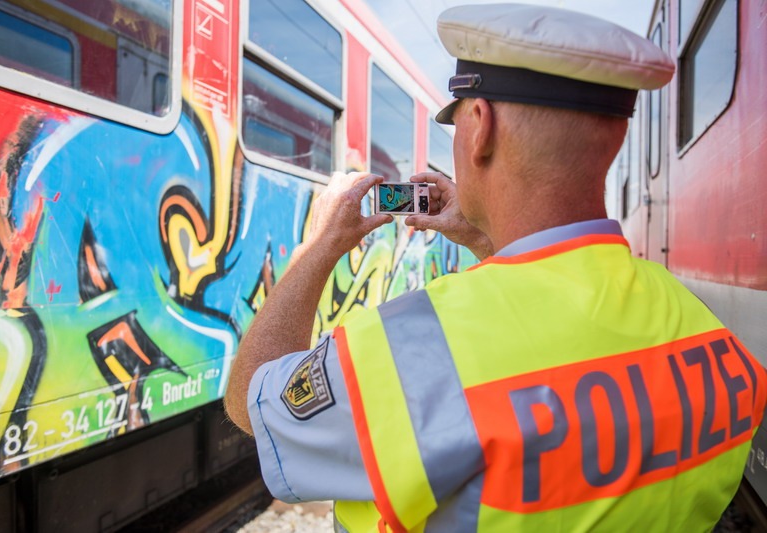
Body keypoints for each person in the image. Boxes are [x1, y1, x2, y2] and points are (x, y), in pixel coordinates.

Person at [225, 4, 767, 531]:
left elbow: (253, 401)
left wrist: (316, 248)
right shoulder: (709, 336)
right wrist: (486, 238)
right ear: (616, 137)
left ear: (480, 126)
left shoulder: (412, 352)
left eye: (455, 121)